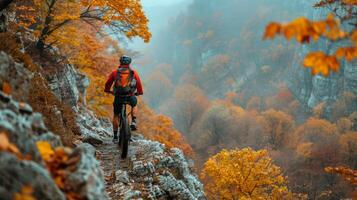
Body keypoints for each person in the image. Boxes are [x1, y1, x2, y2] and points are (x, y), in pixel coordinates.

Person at [104, 55, 143, 143]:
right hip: (130, 96)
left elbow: (108, 83)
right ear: (129, 63)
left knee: (116, 115)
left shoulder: (115, 73)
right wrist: (139, 92)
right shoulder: (133, 73)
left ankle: (115, 136)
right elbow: (139, 84)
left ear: (120, 62)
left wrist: (107, 90)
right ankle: (133, 121)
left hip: (118, 97)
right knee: (134, 104)